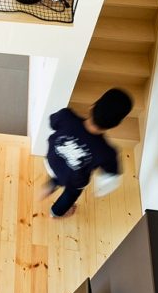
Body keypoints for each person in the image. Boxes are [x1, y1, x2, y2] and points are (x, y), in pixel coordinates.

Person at [41, 88, 134, 219]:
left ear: (93, 106)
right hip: (74, 180)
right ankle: (55, 213)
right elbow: (111, 176)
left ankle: (52, 184)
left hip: (52, 161)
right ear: (115, 125)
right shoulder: (106, 152)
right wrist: (100, 190)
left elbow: (52, 122)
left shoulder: (66, 116)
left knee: (60, 173)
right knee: (70, 194)